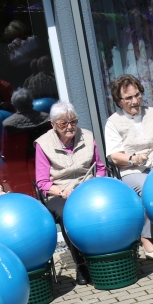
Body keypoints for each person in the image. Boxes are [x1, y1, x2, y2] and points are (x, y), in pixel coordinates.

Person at [105, 74, 153, 261]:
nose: (135, 101)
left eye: (137, 95)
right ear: (119, 101)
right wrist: (133, 159)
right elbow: (114, 156)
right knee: (149, 189)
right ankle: (146, 238)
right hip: (132, 171)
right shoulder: (113, 122)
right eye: (128, 98)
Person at [36, 101, 106, 284]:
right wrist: (62, 192)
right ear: (53, 125)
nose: (69, 127)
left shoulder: (88, 136)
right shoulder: (43, 144)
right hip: (60, 193)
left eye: (73, 122)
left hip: (87, 186)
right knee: (69, 214)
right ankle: (81, 263)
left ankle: (103, 254)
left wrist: (94, 183)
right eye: (63, 123)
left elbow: (100, 169)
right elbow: (42, 182)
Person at [0, 88, 51, 197]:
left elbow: (6, 152)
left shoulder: (8, 123)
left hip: (20, 167)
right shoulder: (46, 119)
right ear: (31, 101)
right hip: (44, 163)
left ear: (14, 103)